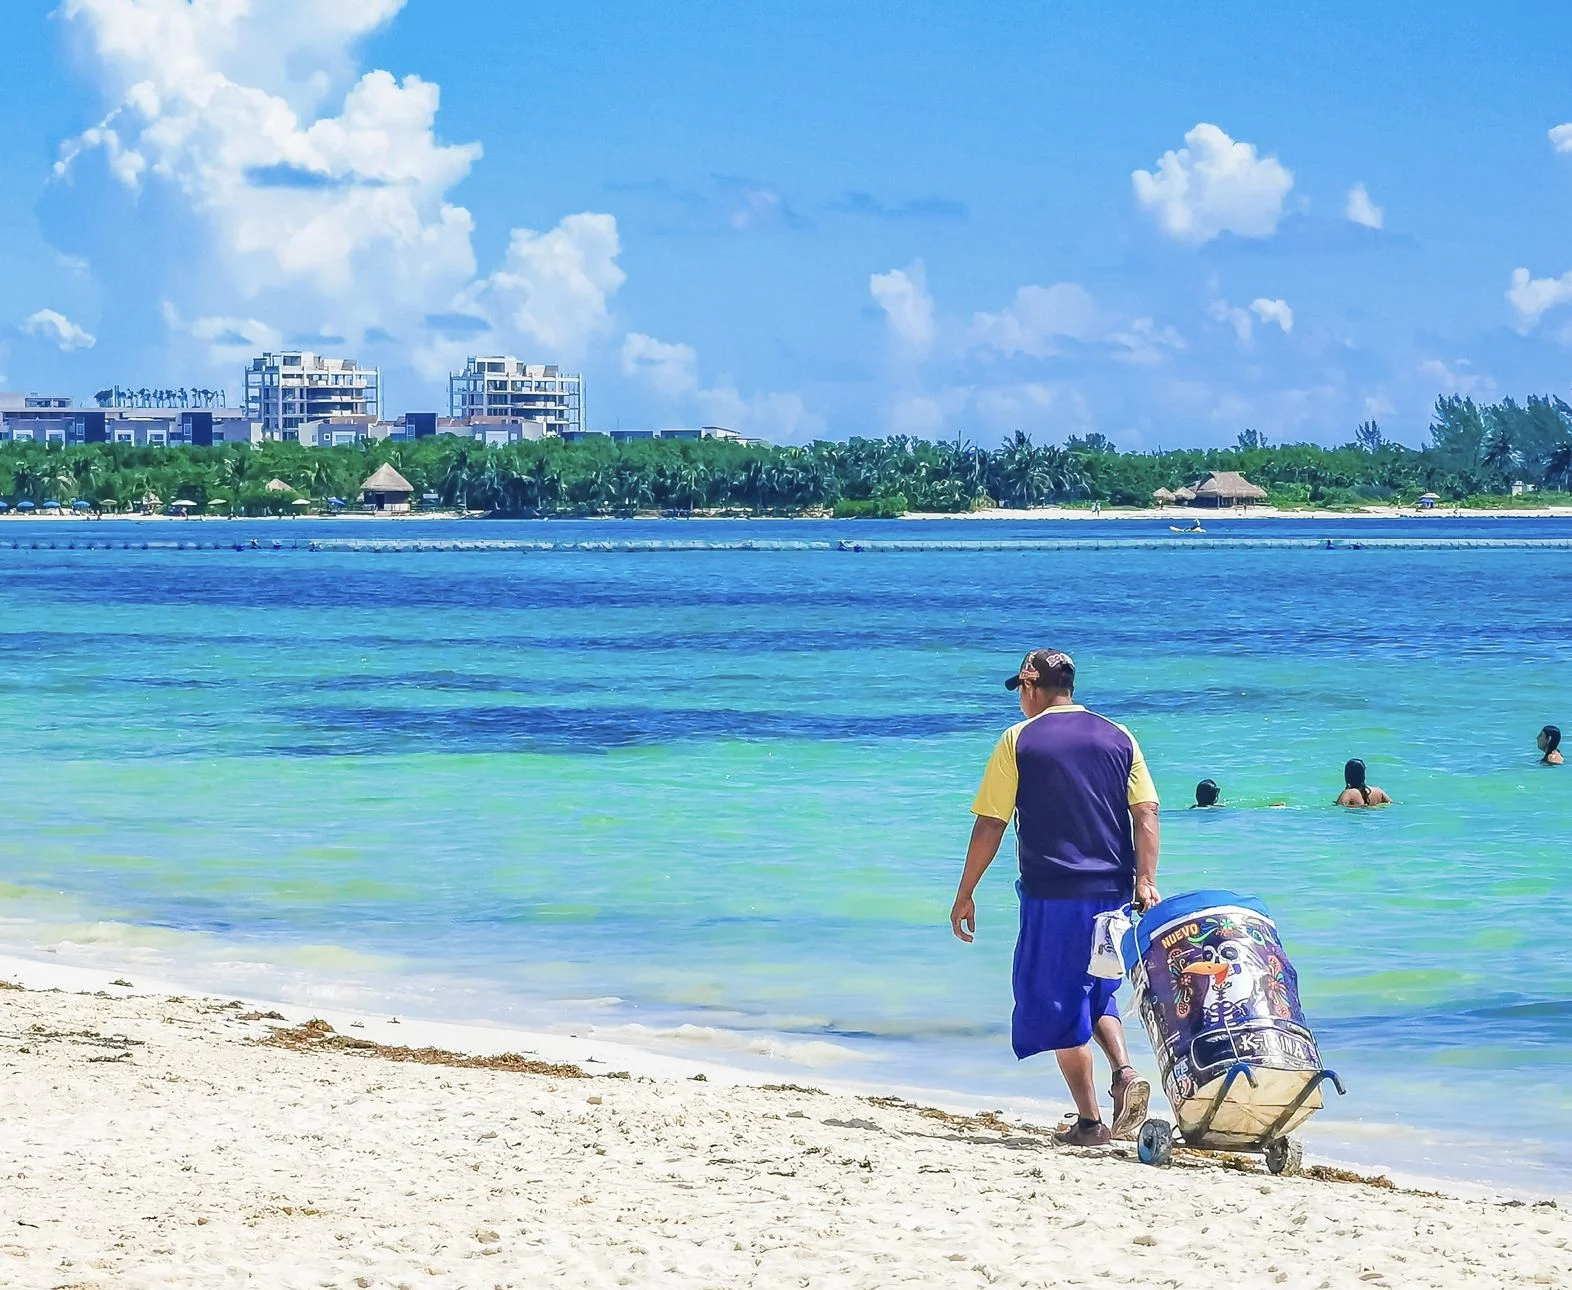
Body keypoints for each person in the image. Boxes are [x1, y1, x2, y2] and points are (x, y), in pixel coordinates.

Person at [950, 648, 1161, 1147]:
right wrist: (1146, 880)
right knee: (1098, 989)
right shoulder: (1119, 735)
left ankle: (1089, 1123)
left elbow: (991, 824)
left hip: (1053, 893)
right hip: (1114, 893)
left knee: (1055, 1000)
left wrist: (965, 893)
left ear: (1029, 688)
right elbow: (1147, 812)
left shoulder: (1018, 740)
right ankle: (1125, 1074)